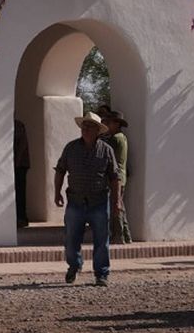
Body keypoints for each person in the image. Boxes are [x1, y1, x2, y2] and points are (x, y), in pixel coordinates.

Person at [54, 111, 120, 286]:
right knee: (71, 239)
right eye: (84, 127)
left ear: (98, 130)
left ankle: (102, 274)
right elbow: (60, 170)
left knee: (101, 240)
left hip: (98, 201)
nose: (86, 130)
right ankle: (74, 266)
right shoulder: (71, 148)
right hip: (75, 201)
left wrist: (117, 201)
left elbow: (114, 177)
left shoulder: (106, 151)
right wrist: (57, 192)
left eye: (90, 127)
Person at [102, 109, 132, 244]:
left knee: (116, 206)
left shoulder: (115, 139)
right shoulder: (122, 137)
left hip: (115, 177)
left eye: (110, 122)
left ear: (116, 124)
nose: (108, 125)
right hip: (122, 176)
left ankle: (118, 235)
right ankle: (126, 235)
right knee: (120, 206)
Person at [14, 119, 30, 227]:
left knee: (20, 192)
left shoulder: (18, 125)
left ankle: (21, 218)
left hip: (20, 165)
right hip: (15, 164)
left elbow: (22, 144)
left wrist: (17, 161)